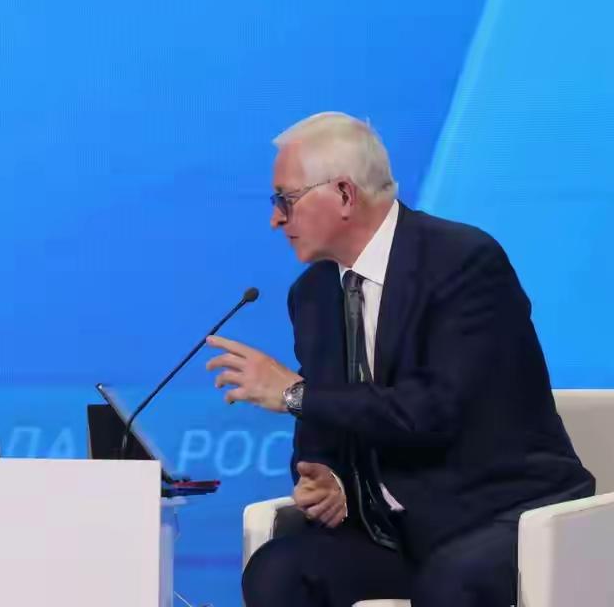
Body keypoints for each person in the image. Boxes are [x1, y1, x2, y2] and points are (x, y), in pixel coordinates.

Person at [205, 113, 594, 607]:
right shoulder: (313, 294)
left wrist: (293, 394)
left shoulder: (464, 262)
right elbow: (323, 427)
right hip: (396, 532)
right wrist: (328, 478)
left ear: (344, 194)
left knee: (450, 582)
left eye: (286, 199)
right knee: (278, 571)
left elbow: (432, 412)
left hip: (500, 512)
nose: (276, 220)